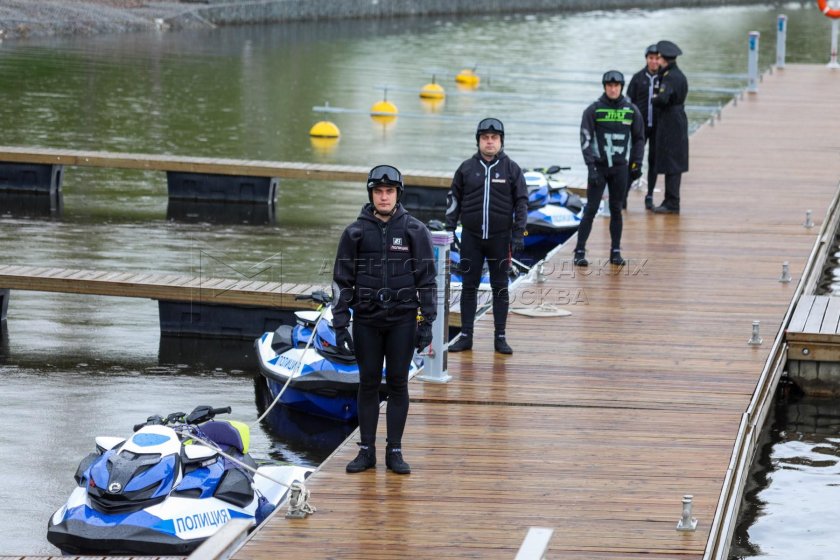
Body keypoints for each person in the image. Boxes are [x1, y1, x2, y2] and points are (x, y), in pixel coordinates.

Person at [332, 164, 437, 475]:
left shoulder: (415, 231)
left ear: (397, 194)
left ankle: (395, 450)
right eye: (378, 191)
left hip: (402, 321)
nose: (384, 197)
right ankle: (366, 451)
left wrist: (427, 321)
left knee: (397, 384)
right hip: (366, 321)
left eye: (389, 191)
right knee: (367, 384)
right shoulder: (354, 233)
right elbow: (341, 283)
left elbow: (427, 280)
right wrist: (340, 325)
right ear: (371, 194)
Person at [445, 117, 528, 355]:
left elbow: (522, 202)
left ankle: (500, 337)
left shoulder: (511, 169)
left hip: (500, 240)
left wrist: (518, 233)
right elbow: (453, 199)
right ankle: (466, 335)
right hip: (471, 238)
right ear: (478, 141)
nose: (489, 142)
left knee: (500, 288)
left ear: (501, 141)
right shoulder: (466, 168)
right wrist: (450, 228)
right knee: (468, 287)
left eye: (494, 138)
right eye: (485, 138)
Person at [574, 70, 645, 268]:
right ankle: (579, 250)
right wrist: (590, 166)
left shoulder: (631, 110)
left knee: (616, 209)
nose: (613, 89)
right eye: (609, 86)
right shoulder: (594, 110)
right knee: (591, 209)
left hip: (620, 168)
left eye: (616, 86)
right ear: (605, 87)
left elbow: (639, 138)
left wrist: (637, 163)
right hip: (599, 167)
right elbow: (585, 139)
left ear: (621, 87)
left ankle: (615, 251)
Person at [651, 39, 689, 214]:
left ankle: (672, 202)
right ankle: (670, 199)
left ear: (664, 59)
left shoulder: (670, 77)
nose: (656, 62)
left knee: (672, 161)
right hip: (676, 119)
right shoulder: (677, 74)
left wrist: (654, 99)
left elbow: (663, 99)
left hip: (670, 121)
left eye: (658, 58)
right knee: (672, 160)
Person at [625, 44, 661, 210]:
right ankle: (623, 194)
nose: (654, 61)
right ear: (646, 59)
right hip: (640, 127)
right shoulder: (638, 78)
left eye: (656, 58)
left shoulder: (663, 77)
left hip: (658, 127)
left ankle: (650, 195)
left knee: (654, 161)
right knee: (634, 160)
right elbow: (628, 101)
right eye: (651, 58)